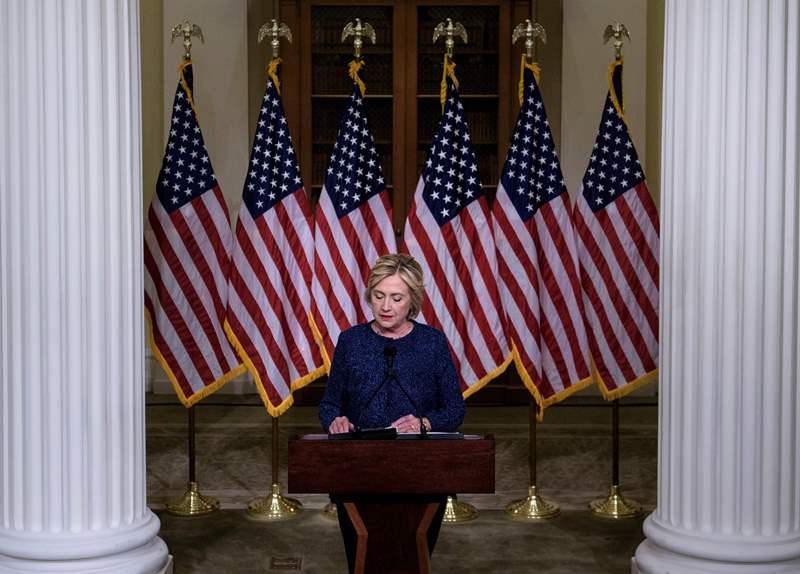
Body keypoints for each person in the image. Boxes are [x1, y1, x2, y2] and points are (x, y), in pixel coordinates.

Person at [319, 253, 466, 572]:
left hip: (421, 470)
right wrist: (336, 420)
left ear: (413, 300)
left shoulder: (432, 342)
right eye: (379, 296)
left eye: (396, 298)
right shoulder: (351, 341)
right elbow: (329, 404)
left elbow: (455, 409)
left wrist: (424, 423)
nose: (386, 306)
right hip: (358, 468)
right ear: (369, 296)